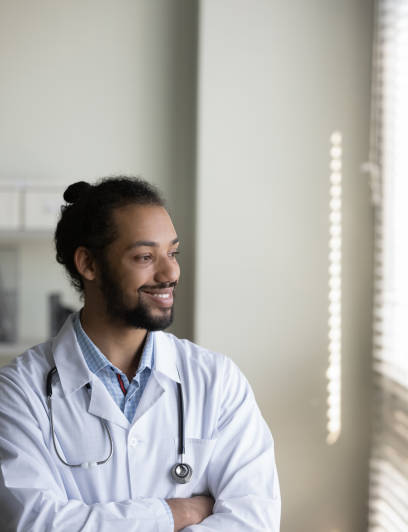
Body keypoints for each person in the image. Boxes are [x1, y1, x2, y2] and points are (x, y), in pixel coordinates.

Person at [0, 176, 281, 531]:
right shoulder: (19, 392)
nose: (170, 272)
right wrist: (175, 513)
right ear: (88, 264)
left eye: (172, 252)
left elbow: (253, 521)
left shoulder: (216, 380)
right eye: (145, 256)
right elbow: (34, 525)